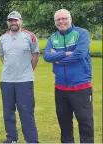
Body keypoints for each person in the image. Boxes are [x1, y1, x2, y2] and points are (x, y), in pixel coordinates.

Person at [43, 9, 94, 143]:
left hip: (81, 86)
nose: (61, 21)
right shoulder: (53, 38)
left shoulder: (82, 33)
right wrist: (66, 54)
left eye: (64, 18)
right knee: (64, 124)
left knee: (85, 122)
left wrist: (57, 58)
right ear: (55, 22)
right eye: (58, 19)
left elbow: (79, 55)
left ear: (70, 19)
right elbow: (46, 56)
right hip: (60, 88)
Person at [0, 11, 39, 143]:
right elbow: (2, 57)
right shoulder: (2, 38)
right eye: (11, 20)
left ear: (21, 21)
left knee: (26, 111)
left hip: (24, 81)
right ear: (8, 23)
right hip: (6, 81)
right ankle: (11, 138)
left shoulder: (30, 36)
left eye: (16, 20)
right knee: (8, 112)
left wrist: (26, 71)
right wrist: (11, 69)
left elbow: (35, 56)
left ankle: (32, 140)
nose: (13, 23)